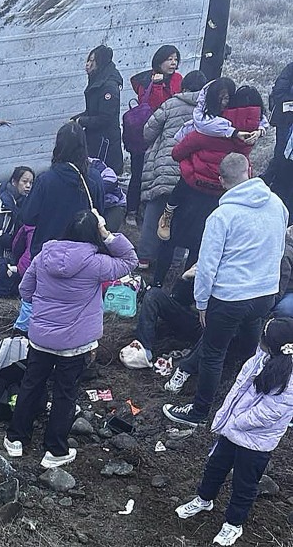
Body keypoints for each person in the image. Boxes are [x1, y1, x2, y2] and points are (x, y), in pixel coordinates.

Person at [3, 210, 138, 468]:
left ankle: (15, 439)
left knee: (31, 384)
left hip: (41, 338)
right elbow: (130, 260)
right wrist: (107, 234)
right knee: (65, 393)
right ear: (93, 233)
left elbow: (25, 290)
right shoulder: (96, 263)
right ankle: (55, 451)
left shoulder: (43, 256)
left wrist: (43, 307)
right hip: (74, 345)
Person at [164, 153, 288, 427]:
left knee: (212, 354)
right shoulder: (278, 205)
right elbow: (279, 250)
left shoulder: (221, 216)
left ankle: (198, 413)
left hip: (230, 297)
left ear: (221, 181)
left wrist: (202, 303)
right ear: (250, 170)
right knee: (251, 348)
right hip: (264, 294)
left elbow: (207, 266)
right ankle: (245, 399)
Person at [174, 318, 293, 547]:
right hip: (232, 429)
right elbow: (238, 387)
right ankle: (204, 499)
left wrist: (234, 422)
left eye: (264, 337)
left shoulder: (289, 377)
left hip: (256, 442)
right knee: (215, 466)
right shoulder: (259, 358)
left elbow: (269, 413)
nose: (260, 340)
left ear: (274, 344)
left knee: (245, 484)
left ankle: (233, 524)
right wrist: (225, 416)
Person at [155, 81, 258, 285]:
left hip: (190, 192)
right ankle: (184, 288)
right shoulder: (241, 140)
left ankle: (156, 281)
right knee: (200, 244)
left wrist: (189, 165)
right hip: (216, 198)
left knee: (169, 239)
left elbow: (176, 153)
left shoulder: (202, 133)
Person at [138, 70, 208, 269]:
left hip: (164, 166)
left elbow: (148, 131)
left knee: (155, 211)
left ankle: (144, 257)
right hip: (190, 172)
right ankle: (175, 261)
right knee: (181, 216)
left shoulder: (170, 104)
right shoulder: (207, 112)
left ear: (183, 86)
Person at [20, 122, 106, 258]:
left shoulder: (45, 180)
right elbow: (100, 213)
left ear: (58, 146)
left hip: (47, 254)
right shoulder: (94, 179)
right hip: (83, 256)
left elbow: (28, 217)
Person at [126, 45, 183, 216]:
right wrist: (157, 86)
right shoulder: (147, 81)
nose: (173, 63)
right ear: (159, 61)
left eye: (175, 59)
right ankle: (132, 210)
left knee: (158, 173)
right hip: (147, 133)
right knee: (139, 171)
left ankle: (150, 208)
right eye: (169, 59)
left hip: (168, 136)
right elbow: (155, 107)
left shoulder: (178, 79)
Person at [119, 272, 200, 370]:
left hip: (210, 327)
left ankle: (192, 359)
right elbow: (179, 300)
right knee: (153, 295)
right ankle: (144, 348)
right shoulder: (203, 263)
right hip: (191, 318)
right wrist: (185, 279)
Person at [74, 45, 124, 173]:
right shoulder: (97, 81)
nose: (88, 64)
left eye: (92, 61)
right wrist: (76, 119)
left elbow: (105, 118)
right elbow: (93, 110)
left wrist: (82, 121)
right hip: (95, 141)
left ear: (100, 63)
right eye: (88, 60)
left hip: (105, 145)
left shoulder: (109, 87)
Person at [0, 166, 34, 253]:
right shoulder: (5, 201)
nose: (28, 186)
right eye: (24, 181)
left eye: (31, 183)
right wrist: (17, 243)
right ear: (14, 182)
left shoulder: (23, 201)